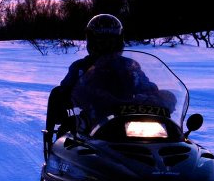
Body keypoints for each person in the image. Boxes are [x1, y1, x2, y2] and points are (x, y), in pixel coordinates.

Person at [46, 14, 174, 133]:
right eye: (101, 42)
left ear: (119, 41)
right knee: (69, 137)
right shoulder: (80, 67)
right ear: (92, 41)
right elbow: (64, 93)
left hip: (128, 116)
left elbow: (145, 86)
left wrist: (158, 97)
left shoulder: (130, 65)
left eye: (112, 41)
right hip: (93, 121)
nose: (107, 46)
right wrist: (63, 104)